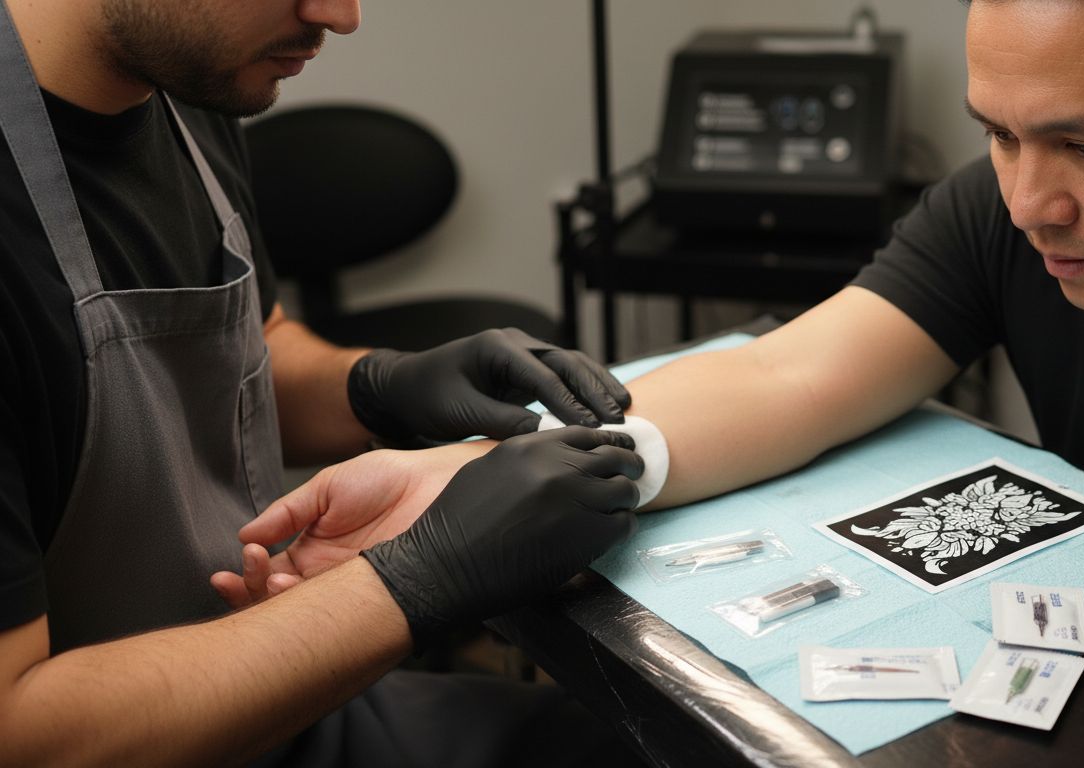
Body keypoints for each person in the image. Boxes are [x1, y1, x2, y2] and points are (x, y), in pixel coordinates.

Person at [229, 0, 1084, 610]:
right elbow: (786, 376)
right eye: (999, 134)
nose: (1032, 200)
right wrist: (456, 481)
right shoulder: (997, 214)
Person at [0, 0, 649, 765]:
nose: (339, 16)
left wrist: (377, 384)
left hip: (277, 709)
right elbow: (23, 734)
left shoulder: (184, 89)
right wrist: (420, 577)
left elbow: (254, 347)